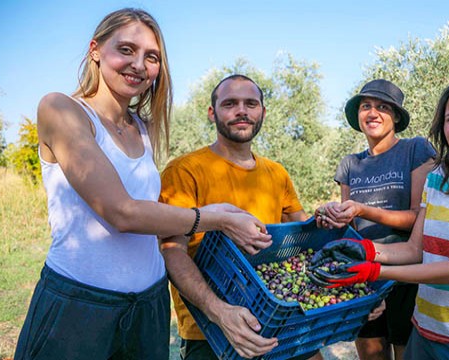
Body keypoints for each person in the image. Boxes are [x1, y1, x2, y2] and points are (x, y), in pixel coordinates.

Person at [14, 9, 276, 360]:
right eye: (126, 49)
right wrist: (216, 217)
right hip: (80, 303)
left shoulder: (144, 127)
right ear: (95, 50)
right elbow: (122, 213)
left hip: (149, 306)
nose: (139, 64)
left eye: (151, 57)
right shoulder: (61, 109)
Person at [310, 76, 449, 360]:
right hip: (425, 329)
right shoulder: (439, 178)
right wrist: (365, 250)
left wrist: (374, 271)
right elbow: (414, 249)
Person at [159, 74, 324, 360]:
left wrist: (329, 219)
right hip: (211, 330)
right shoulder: (183, 171)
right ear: (212, 113)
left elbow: (307, 237)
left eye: (251, 103)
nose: (242, 111)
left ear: (262, 111)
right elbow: (172, 251)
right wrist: (219, 312)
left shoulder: (277, 173)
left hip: (277, 319)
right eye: (230, 103)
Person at [315, 79, 436, 360]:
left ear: (395, 116)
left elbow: (420, 219)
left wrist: (363, 209)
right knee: (371, 353)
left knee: (408, 353)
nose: (373, 112)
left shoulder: (415, 150)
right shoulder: (349, 164)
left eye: (383, 107)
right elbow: (351, 227)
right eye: (366, 106)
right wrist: (331, 216)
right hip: (363, 274)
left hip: (408, 274)